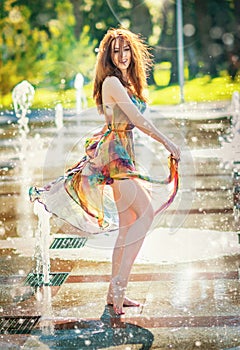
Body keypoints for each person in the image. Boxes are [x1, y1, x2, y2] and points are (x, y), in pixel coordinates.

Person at [29, 27, 180, 315]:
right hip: (115, 157)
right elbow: (136, 119)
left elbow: (125, 121)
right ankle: (120, 290)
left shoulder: (124, 81)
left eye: (126, 50)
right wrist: (169, 143)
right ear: (109, 56)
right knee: (145, 216)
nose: (122, 55)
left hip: (122, 154)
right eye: (116, 51)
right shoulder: (111, 81)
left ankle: (114, 294)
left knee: (127, 228)